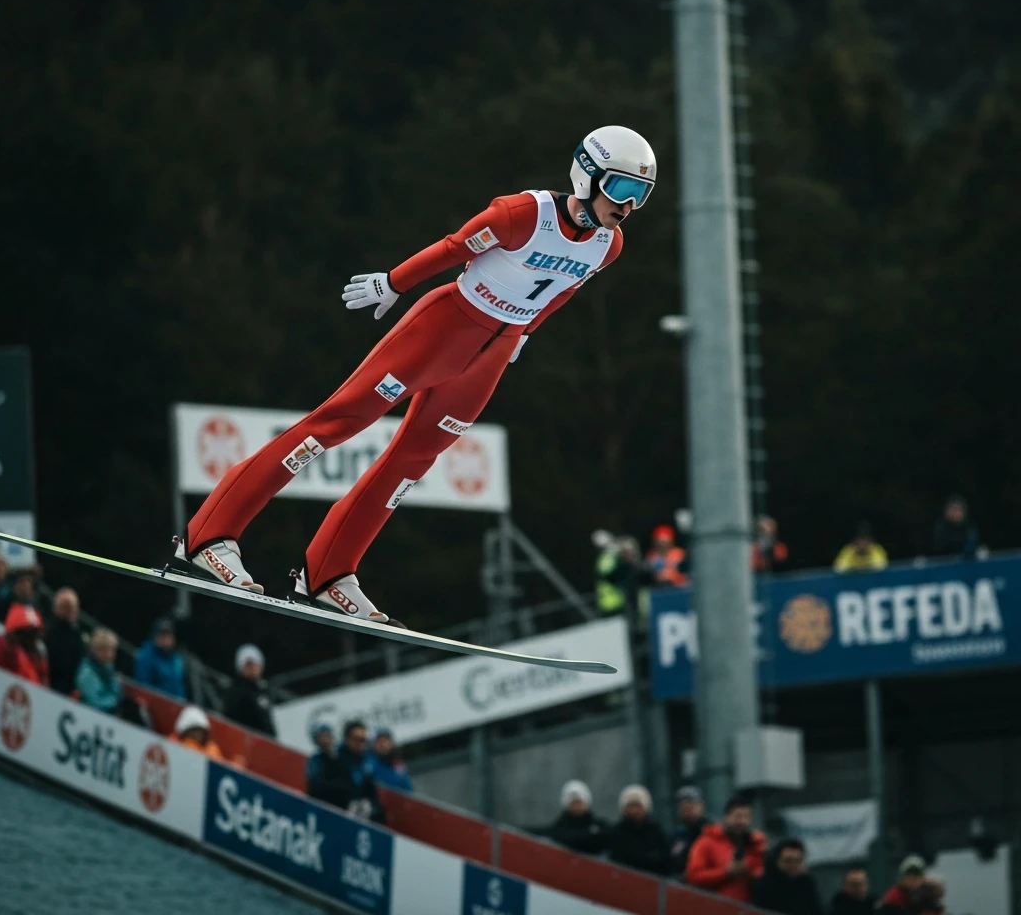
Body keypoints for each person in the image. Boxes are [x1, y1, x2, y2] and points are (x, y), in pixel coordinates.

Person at [172, 127, 657, 626]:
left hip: (491, 352)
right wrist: (393, 282)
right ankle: (208, 536)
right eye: (621, 189)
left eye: (641, 195)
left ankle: (328, 573)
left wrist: (526, 331)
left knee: (413, 461)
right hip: (446, 327)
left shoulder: (609, 245)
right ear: (587, 174)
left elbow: (563, 287)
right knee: (337, 422)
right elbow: (452, 248)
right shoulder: (522, 214)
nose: (628, 206)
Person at [685, 794, 767, 902]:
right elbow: (693, 876)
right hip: (715, 908)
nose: (742, 821)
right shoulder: (706, 842)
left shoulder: (755, 845)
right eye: (738, 816)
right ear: (727, 817)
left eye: (746, 817)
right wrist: (726, 872)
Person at [306, 719, 385, 823]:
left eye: (363, 740)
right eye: (357, 739)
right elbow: (321, 790)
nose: (361, 743)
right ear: (347, 739)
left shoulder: (370, 759)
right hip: (339, 815)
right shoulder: (331, 760)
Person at [530, 780, 610, 856]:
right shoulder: (559, 827)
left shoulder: (601, 826)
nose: (577, 806)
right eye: (573, 803)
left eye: (579, 802)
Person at [606, 784, 671, 875]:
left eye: (638, 806)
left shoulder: (656, 831)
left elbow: (665, 860)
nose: (634, 811)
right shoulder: (617, 832)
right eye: (630, 806)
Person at [752, 838, 824, 915]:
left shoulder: (807, 883)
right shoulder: (765, 885)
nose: (793, 865)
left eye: (797, 861)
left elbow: (816, 910)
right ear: (777, 861)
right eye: (788, 860)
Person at [223, 643, 276, 737]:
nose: (252, 669)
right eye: (248, 665)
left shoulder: (264, 690)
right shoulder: (235, 691)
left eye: (255, 664)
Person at [133, 617, 188, 700]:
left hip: (175, 703)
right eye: (162, 635)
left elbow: (179, 686)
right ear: (155, 636)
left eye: (169, 636)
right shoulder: (146, 656)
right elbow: (143, 685)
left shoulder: (177, 660)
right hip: (154, 702)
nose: (166, 639)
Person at [46, 587, 86, 695]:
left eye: (73, 608)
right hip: (49, 685)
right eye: (66, 607)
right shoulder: (48, 630)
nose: (70, 612)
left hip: (68, 691)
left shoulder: (77, 634)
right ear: (56, 607)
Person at [0, 603, 49, 685]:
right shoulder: (3, 649)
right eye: (25, 633)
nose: (30, 639)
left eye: (33, 633)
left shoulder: (38, 662)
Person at [75, 628, 123, 714]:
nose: (112, 654)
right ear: (98, 650)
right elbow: (94, 702)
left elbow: (116, 691)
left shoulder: (110, 670)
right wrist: (115, 702)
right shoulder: (87, 673)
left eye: (113, 650)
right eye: (109, 649)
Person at [671, 785, 709, 877]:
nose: (686, 807)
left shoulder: (709, 831)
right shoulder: (678, 834)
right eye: (682, 804)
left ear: (701, 806)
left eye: (690, 803)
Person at [933, 494, 981, 561]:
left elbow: (972, 545)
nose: (954, 512)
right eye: (951, 509)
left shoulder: (969, 527)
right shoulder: (941, 527)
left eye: (957, 509)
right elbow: (940, 548)